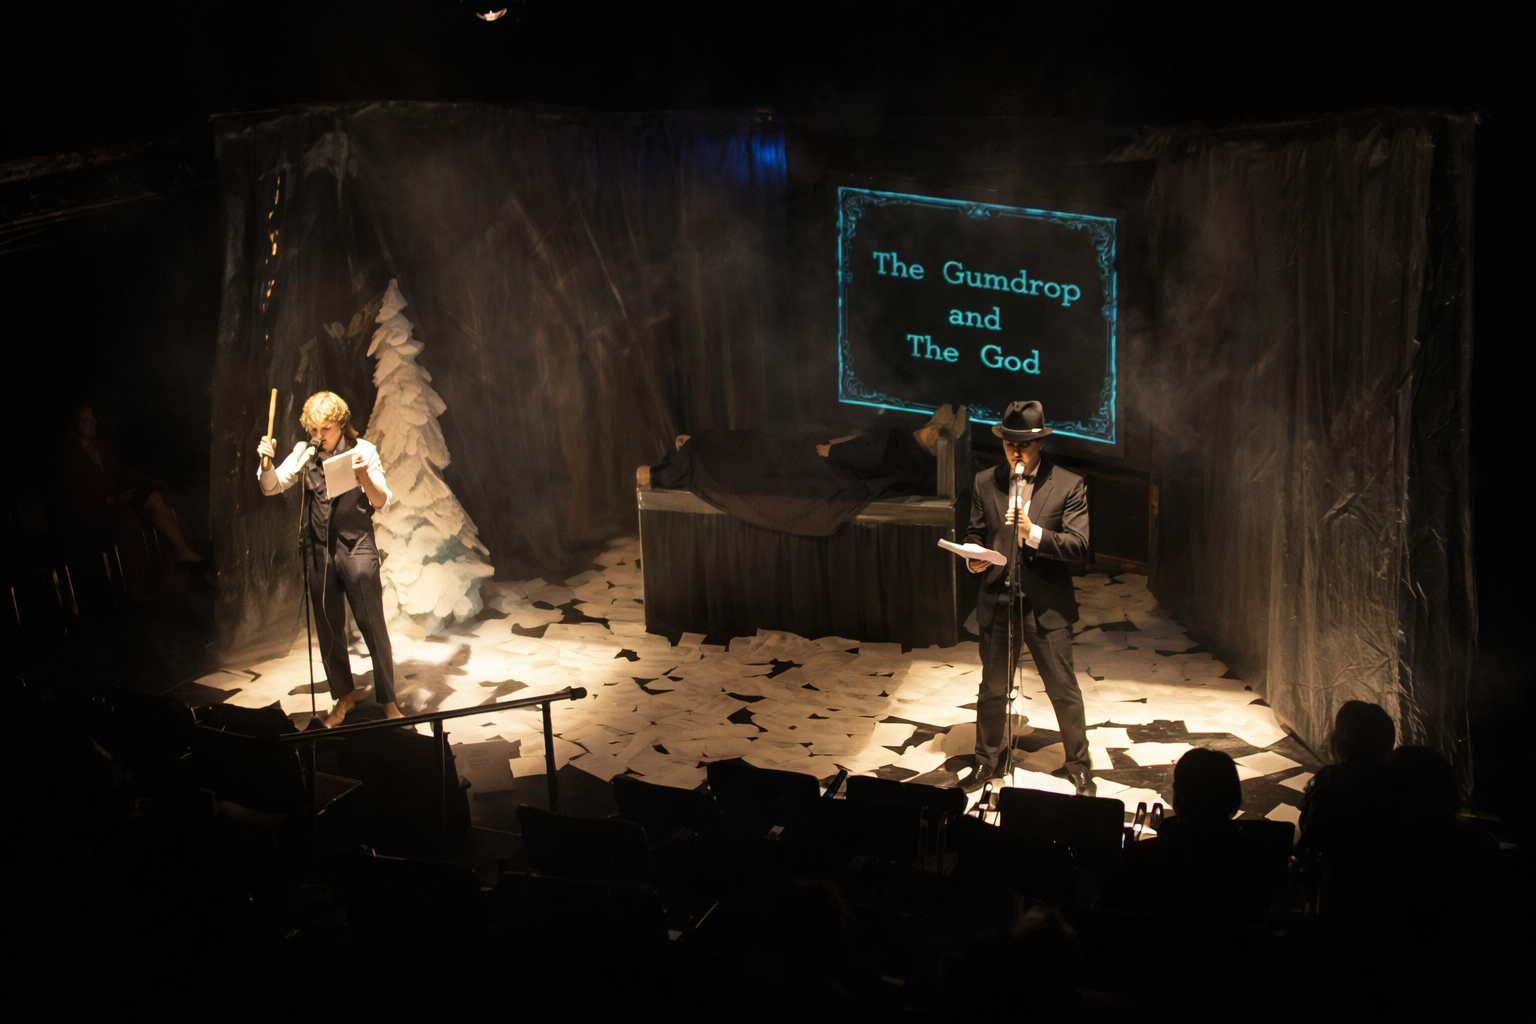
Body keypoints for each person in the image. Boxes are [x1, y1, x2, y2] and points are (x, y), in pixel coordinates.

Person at [960, 400, 1091, 794]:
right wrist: (973, 559)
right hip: (998, 599)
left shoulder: (1068, 484)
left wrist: (1033, 533)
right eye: (1009, 444)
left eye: (1024, 445)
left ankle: (1079, 764)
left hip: (1045, 604)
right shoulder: (986, 481)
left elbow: (1079, 545)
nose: (1016, 452)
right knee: (993, 688)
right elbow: (974, 532)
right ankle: (987, 761)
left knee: (1063, 689)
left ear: (1040, 445)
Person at [256, 391, 400, 727]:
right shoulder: (305, 453)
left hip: (357, 546)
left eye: (326, 429)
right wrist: (265, 462)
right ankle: (344, 696)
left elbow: (381, 502)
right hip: (319, 548)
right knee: (328, 627)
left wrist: (363, 474)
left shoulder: (363, 451)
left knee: (372, 625)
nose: (319, 436)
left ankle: (389, 699)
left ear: (341, 424)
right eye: (314, 429)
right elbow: (271, 486)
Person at [1101, 747, 1282, 925]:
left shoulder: (1141, 857)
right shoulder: (1260, 859)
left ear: (1178, 798)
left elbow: (1109, 911)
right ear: (1233, 798)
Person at [61, 403, 204, 599]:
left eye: (92, 417)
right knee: (128, 519)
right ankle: (135, 588)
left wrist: (148, 481)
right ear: (75, 426)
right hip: (95, 512)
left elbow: (122, 473)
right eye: (86, 420)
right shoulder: (71, 457)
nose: (94, 422)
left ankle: (176, 569)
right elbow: (77, 497)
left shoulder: (102, 447)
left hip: (118, 502)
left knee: (165, 500)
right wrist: (111, 499)